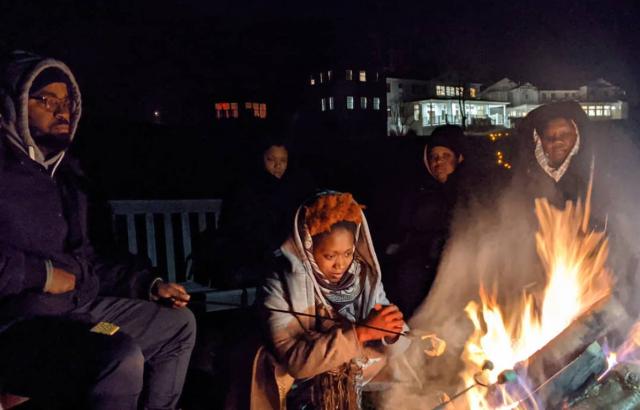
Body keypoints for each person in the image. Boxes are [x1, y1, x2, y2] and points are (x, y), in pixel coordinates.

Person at [0, 51, 195, 410]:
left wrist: (147, 285)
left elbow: (89, 261)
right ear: (12, 105)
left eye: (68, 101)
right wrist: (40, 275)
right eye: (47, 100)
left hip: (82, 312)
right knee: (119, 353)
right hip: (24, 322)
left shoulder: (68, 178)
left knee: (177, 324)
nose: (63, 111)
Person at [253, 192, 410, 409]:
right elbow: (295, 361)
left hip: (359, 370)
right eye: (330, 256)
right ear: (307, 248)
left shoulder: (364, 278)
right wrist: (361, 333)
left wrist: (391, 334)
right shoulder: (279, 285)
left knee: (409, 378)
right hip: (303, 381)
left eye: (347, 253)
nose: (341, 265)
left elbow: (398, 336)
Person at [193, 138, 314, 288]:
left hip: (275, 253)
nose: (278, 165)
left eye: (283, 160)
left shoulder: (287, 188)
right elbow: (243, 228)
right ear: (261, 159)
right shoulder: (247, 189)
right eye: (271, 159)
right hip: (248, 255)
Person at [383, 125, 466, 318]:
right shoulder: (419, 192)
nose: (438, 162)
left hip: (458, 259)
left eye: (445, 156)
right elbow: (405, 229)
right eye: (433, 157)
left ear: (459, 158)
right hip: (421, 260)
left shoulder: (469, 191)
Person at [513, 101, 593, 208]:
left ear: (576, 135)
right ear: (539, 142)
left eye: (565, 134)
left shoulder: (593, 174)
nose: (557, 141)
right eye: (549, 136)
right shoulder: (525, 176)